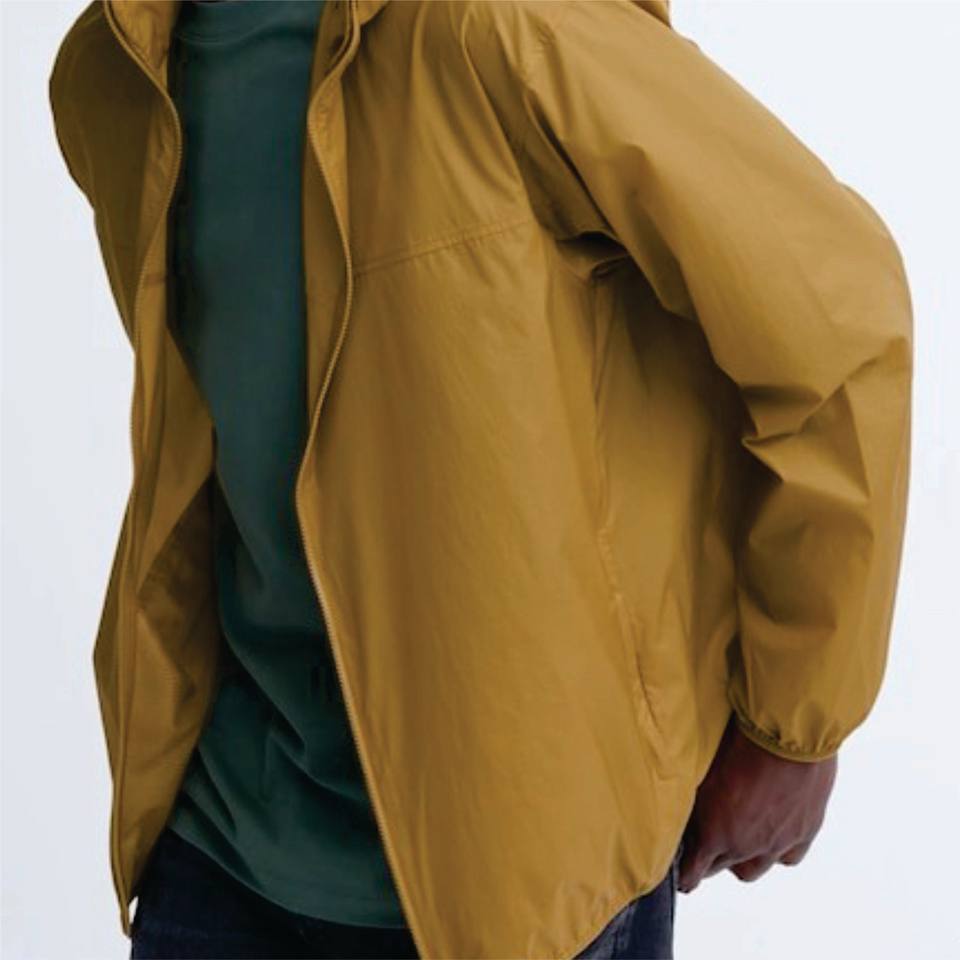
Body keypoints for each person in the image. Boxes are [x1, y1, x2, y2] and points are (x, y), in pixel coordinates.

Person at [48, 1, 912, 958]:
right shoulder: (120, 72)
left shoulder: (500, 28)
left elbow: (839, 320)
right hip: (220, 852)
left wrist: (794, 726)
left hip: (520, 884)